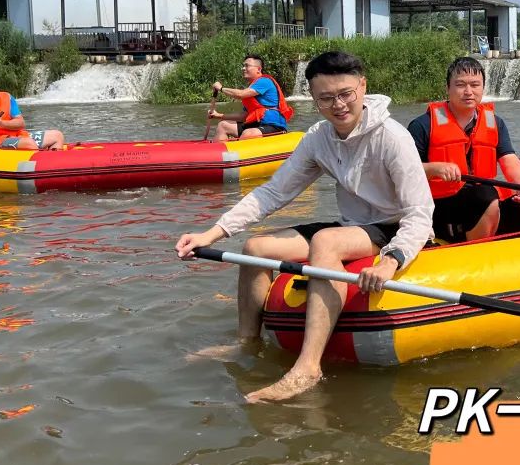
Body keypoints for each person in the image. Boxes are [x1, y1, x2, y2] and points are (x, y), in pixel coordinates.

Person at [175, 51, 434, 402]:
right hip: (352, 226)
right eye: (326, 98)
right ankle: (246, 342)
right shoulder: (318, 138)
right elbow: (273, 193)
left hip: (393, 226)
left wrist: (392, 259)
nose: (338, 105)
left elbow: (420, 213)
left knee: (326, 241)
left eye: (345, 94)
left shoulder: (392, 137)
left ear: (362, 86)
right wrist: (211, 233)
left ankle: (307, 368)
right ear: (313, 98)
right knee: (256, 248)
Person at [408, 57, 520, 242]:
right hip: (443, 209)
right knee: (486, 195)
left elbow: (509, 159)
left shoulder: (495, 123)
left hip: (486, 204)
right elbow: (405, 173)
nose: (468, 92)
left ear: (482, 88)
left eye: (475, 85)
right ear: (448, 88)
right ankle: (479, 250)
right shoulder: (423, 125)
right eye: (460, 85)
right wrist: (435, 168)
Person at [208, 54, 294, 141]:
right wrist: (219, 115)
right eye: (243, 66)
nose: (243, 68)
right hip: (256, 125)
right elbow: (244, 116)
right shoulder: (251, 87)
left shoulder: (265, 81)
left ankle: (237, 148)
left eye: (247, 66)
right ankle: (219, 149)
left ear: (258, 69)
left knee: (248, 133)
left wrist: (221, 88)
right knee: (223, 125)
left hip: (273, 125)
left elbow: (240, 94)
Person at [0, 67, 65, 150]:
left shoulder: (6, 97)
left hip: (17, 136)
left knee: (57, 136)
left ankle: (49, 157)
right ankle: (37, 156)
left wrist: (2, 123)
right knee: (29, 143)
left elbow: (21, 123)